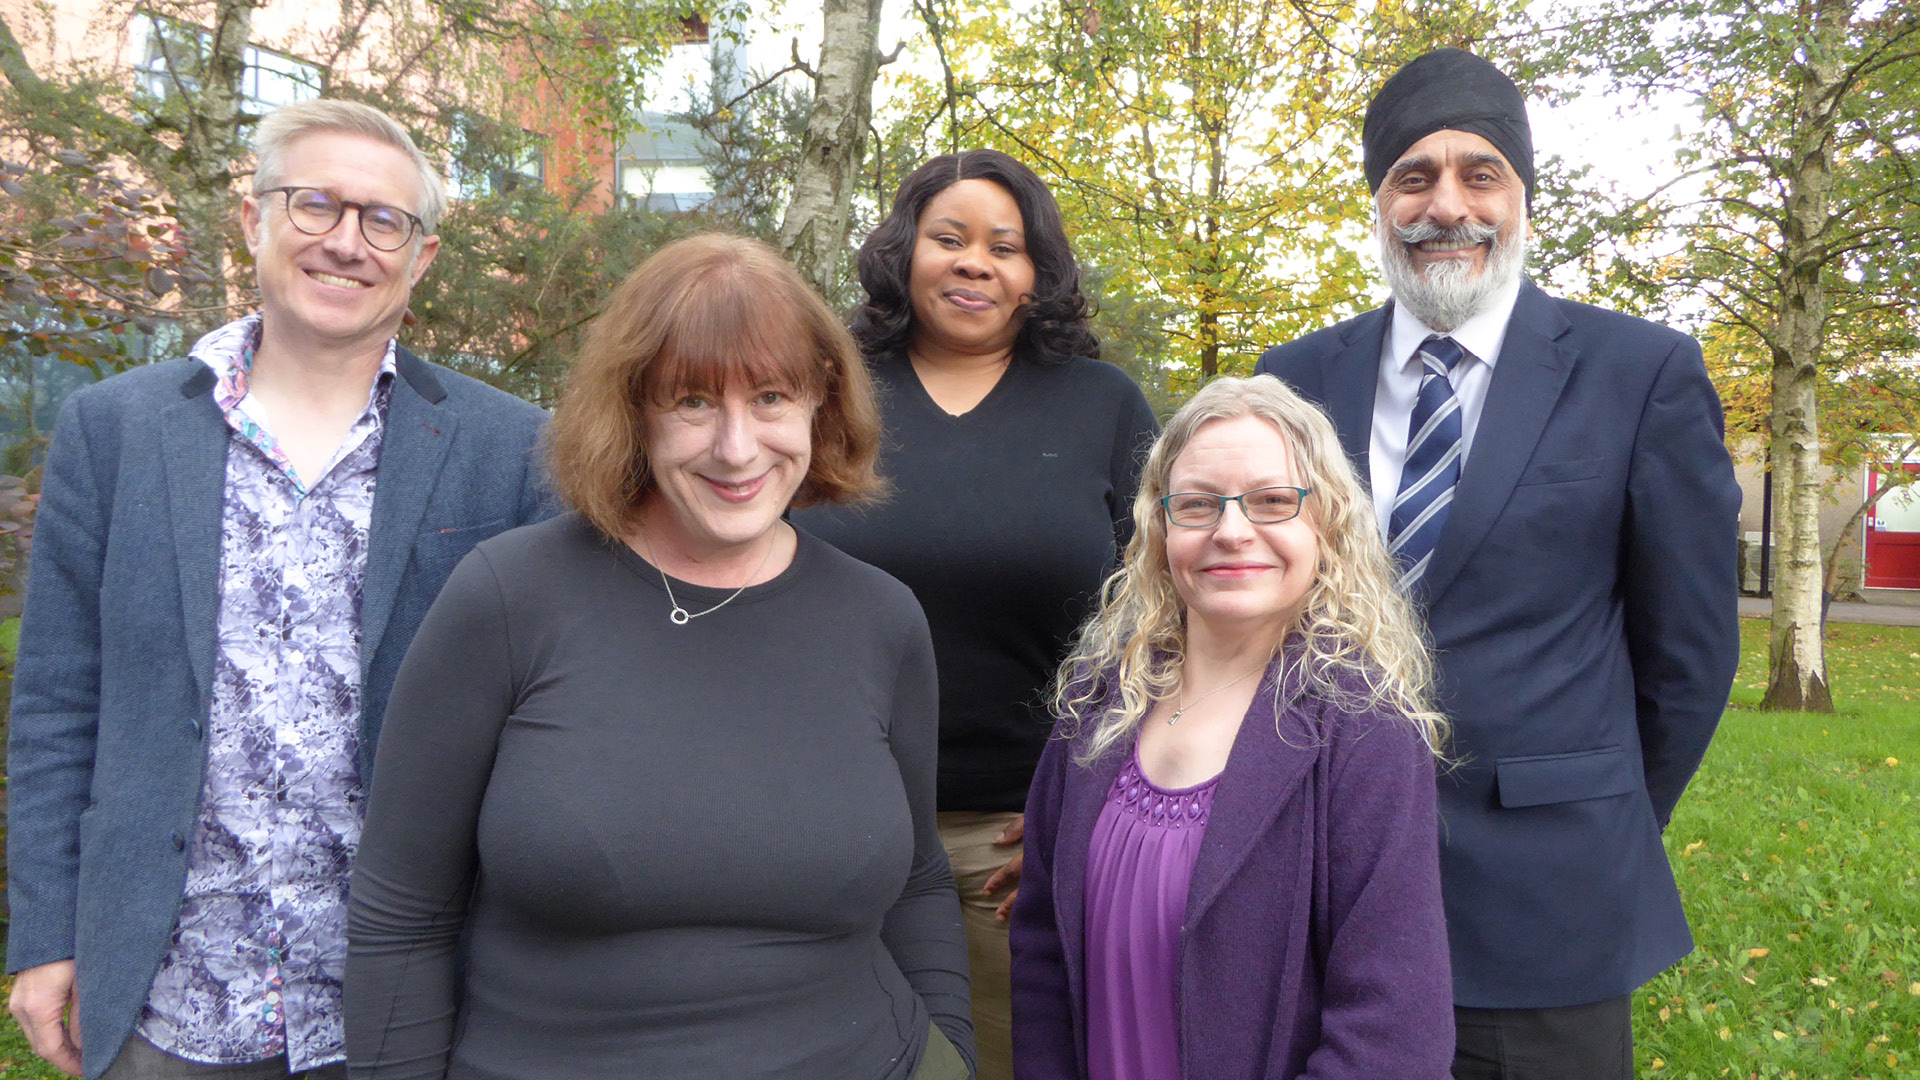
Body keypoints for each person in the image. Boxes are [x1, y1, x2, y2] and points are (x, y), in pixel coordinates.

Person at [5, 100, 551, 1080]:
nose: (348, 242)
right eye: (315, 206)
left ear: (420, 259)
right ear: (253, 220)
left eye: (384, 220)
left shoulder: (506, 449)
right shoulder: (114, 433)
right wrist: (45, 933)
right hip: (168, 998)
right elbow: (57, 700)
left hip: (408, 1001)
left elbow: (551, 710)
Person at [343, 233, 974, 1080]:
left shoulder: (882, 619)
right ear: (633, 407)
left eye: (773, 398)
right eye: (694, 403)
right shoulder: (508, 598)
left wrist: (953, 1056)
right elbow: (401, 915)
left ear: (822, 403)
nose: (738, 448)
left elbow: (918, 882)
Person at [1256, 48, 1741, 1079]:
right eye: (1414, 177)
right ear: (1379, 202)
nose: (1449, 205)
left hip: (1546, 903)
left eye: (1481, 174)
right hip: (1314, 882)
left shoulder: (1640, 374)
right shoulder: (1293, 382)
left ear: (1523, 198)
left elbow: (1689, 658)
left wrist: (1594, 811)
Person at [792, 150, 1157, 1080]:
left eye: (1006, 246)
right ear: (903, 252)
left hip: (1024, 840)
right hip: (833, 822)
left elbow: (1165, 613)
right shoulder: (826, 391)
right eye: (948, 238)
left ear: (1040, 275)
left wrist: (1089, 796)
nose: (973, 262)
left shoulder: (1103, 407)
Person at [1010, 375, 1453, 1080]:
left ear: (1326, 524)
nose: (1232, 530)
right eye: (1197, 505)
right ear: (1159, 530)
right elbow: (1039, 947)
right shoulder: (1100, 705)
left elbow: (1395, 1028)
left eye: (1274, 501)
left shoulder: (1362, 731)